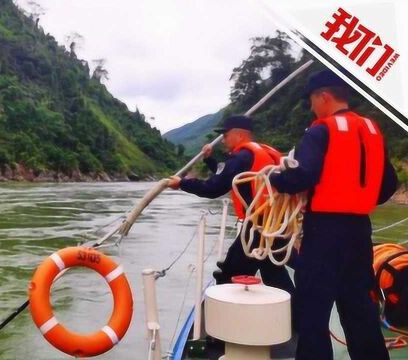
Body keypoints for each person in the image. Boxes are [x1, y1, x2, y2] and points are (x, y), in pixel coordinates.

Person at [269, 70, 398, 360]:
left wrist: (277, 179)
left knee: (313, 311)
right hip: (359, 231)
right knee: (359, 309)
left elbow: (304, 175)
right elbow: (389, 183)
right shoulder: (372, 129)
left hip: (324, 231)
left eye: (312, 102)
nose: (312, 109)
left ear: (323, 96)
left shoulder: (320, 130)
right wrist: (360, 200)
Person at [166, 115, 295, 297]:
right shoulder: (261, 153)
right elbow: (227, 175)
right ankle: (301, 321)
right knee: (274, 275)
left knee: (229, 275)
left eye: (226, 135)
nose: (224, 140)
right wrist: (209, 160)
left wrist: (182, 183)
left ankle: (221, 321)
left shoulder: (242, 157)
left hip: (257, 230)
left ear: (239, 135)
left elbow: (214, 187)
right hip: (275, 225)